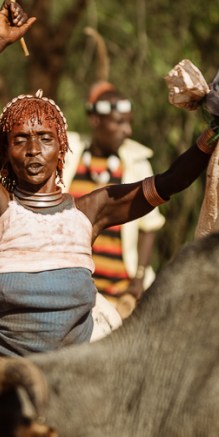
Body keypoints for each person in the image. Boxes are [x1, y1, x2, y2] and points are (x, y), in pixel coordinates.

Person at [0, 1, 217, 358]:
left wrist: (212, 135)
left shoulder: (90, 212)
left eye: (45, 139)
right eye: (20, 139)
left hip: (74, 390)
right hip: (1, 385)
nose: (33, 151)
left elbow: (170, 182)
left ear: (62, 147)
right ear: (6, 151)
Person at [61, 81, 165, 315]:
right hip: (69, 290)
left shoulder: (137, 164)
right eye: (119, 122)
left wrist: (138, 280)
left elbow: (150, 226)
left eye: (129, 122)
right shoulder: (68, 155)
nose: (127, 130)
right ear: (96, 121)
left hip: (120, 294)